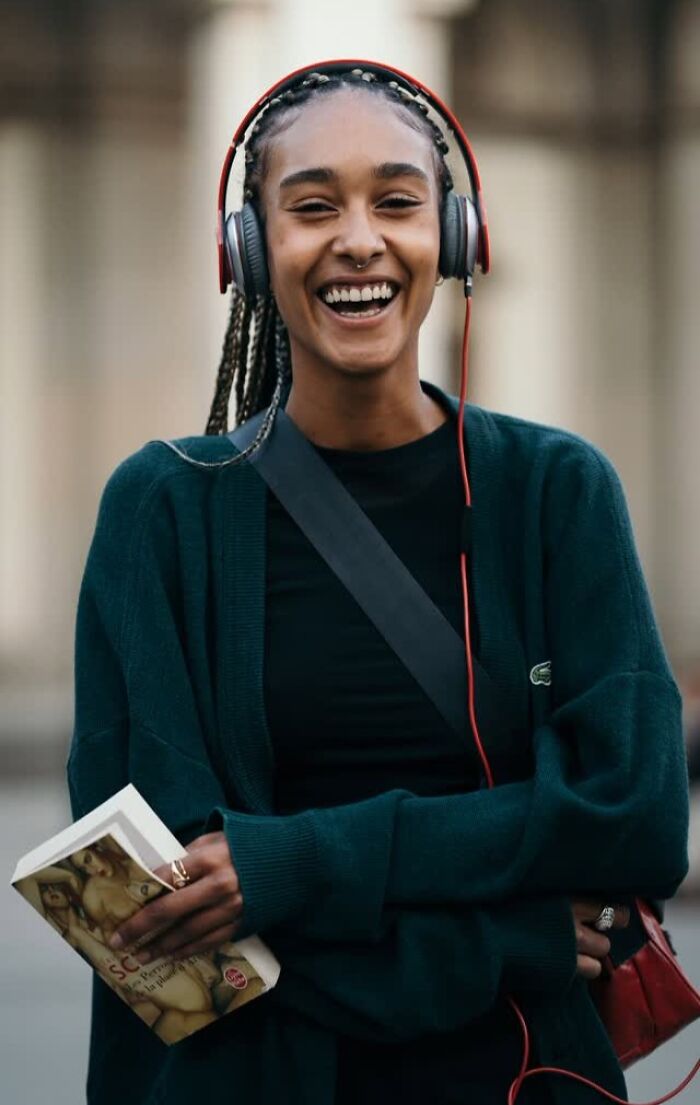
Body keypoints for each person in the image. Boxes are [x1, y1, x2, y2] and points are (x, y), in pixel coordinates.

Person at [66, 65, 690, 1105]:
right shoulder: (161, 510)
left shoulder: (556, 491)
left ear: (452, 235)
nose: (358, 238)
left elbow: (631, 819)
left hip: (521, 1079)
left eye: (396, 201)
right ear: (251, 251)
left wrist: (284, 865)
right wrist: (504, 936)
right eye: (312, 207)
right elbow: (143, 914)